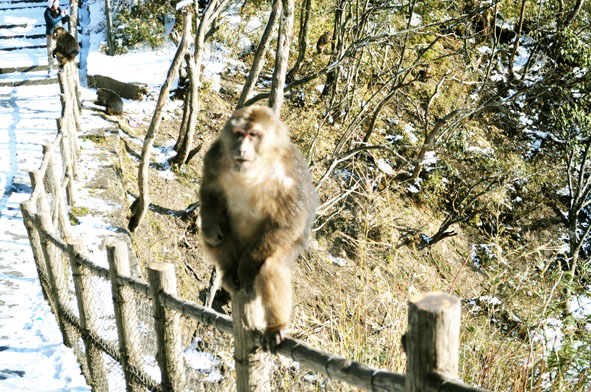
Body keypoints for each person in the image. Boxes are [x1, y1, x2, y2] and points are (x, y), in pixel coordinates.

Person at [44, 0, 69, 77]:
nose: (58, 4)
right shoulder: (47, 12)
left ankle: (60, 67)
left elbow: (63, 21)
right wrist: (61, 15)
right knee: (51, 51)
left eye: (58, 2)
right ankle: (50, 69)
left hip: (59, 34)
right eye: (56, 2)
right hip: (51, 35)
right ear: (51, 3)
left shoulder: (59, 10)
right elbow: (52, 21)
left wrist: (66, 15)